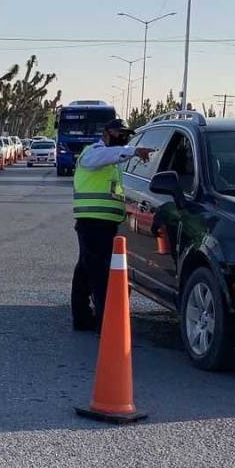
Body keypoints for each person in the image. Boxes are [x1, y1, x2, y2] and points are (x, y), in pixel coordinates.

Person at [71, 119, 154, 332]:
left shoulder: (112, 164)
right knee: (100, 275)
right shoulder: (93, 153)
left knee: (85, 271)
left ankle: (82, 318)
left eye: (127, 134)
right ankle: (104, 324)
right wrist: (133, 150)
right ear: (107, 133)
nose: (124, 137)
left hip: (105, 225)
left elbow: (115, 193)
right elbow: (106, 156)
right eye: (120, 133)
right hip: (93, 224)